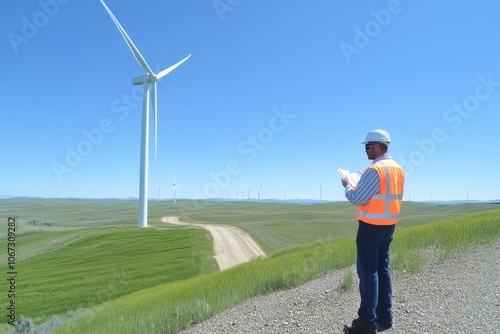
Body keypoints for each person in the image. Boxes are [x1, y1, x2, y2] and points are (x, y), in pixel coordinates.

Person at [341, 129, 405, 334]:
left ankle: (367, 322)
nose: (366, 151)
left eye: (367, 147)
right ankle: (385, 316)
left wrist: (347, 186)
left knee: (368, 272)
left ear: (377, 146)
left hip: (371, 227)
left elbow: (358, 198)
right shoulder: (398, 169)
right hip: (389, 226)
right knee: (383, 269)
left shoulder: (375, 169)